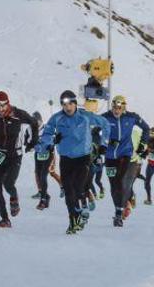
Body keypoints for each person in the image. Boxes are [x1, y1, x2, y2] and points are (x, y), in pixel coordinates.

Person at [37, 90, 110, 234]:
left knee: (77, 187)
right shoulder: (57, 118)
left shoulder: (85, 116)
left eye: (70, 103)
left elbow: (105, 124)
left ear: (75, 103)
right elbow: (46, 135)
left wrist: (104, 145)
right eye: (64, 105)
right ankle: (73, 221)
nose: (68, 107)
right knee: (68, 190)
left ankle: (81, 208)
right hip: (66, 159)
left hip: (83, 157)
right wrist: (52, 140)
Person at [0, 91, 38, 228]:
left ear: (8, 103)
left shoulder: (19, 114)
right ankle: (5, 219)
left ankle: (14, 197)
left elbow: (34, 124)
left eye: (2, 105)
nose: (0, 109)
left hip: (14, 155)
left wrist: (32, 141)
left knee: (8, 183)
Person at [102, 95, 149, 226]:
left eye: (119, 108)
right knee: (113, 186)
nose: (116, 111)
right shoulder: (105, 117)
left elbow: (146, 128)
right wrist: (105, 142)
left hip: (125, 154)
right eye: (114, 107)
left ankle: (119, 214)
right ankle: (118, 209)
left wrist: (142, 145)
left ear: (124, 107)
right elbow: (94, 130)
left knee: (120, 182)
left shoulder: (131, 117)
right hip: (110, 156)